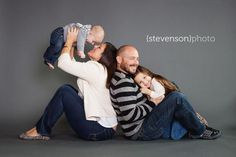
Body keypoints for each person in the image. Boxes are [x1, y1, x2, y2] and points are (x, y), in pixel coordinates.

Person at [19, 27, 117, 141]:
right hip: (105, 129)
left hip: (98, 130)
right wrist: (73, 44)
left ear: (103, 57)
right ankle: (41, 129)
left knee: (65, 92)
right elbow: (71, 64)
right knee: (67, 90)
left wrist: (69, 40)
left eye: (99, 47)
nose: (95, 46)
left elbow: (63, 63)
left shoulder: (95, 69)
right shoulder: (99, 69)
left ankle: (41, 130)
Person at [109, 45, 221, 140]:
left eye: (137, 59)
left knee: (176, 108)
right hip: (140, 130)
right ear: (119, 60)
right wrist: (153, 102)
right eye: (132, 58)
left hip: (146, 122)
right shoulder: (122, 82)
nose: (136, 62)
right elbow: (130, 116)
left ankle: (191, 125)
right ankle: (199, 131)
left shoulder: (124, 78)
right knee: (176, 98)